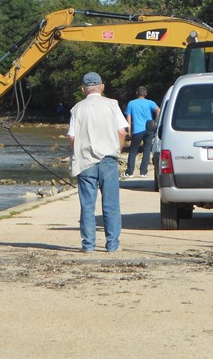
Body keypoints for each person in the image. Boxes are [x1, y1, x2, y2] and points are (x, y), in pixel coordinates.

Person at [67, 72, 128, 254]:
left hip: (86, 162)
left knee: (87, 205)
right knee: (111, 204)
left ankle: (88, 245)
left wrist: (77, 152)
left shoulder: (77, 109)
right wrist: (118, 150)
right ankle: (112, 245)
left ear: (83, 89)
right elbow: (123, 132)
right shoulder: (112, 104)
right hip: (108, 160)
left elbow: (72, 137)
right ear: (102, 87)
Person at [122, 86, 160, 178]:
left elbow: (129, 118)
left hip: (138, 130)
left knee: (133, 151)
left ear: (136, 93)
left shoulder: (131, 103)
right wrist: (155, 122)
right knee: (147, 150)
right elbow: (159, 110)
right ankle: (143, 172)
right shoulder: (150, 102)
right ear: (145, 94)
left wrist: (129, 131)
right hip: (149, 128)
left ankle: (130, 172)